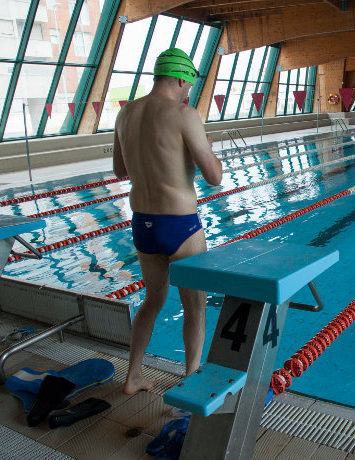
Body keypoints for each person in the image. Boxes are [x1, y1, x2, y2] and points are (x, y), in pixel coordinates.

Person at [113, 48, 223, 395]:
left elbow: (120, 171)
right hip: (180, 226)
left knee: (152, 301)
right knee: (195, 306)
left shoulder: (126, 113)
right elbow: (214, 177)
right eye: (189, 83)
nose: (189, 90)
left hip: (142, 223)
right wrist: (205, 145)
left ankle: (132, 377)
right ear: (180, 79)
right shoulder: (183, 113)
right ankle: (191, 379)